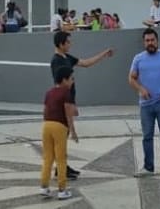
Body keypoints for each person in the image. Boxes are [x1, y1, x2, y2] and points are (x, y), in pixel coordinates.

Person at [49, 31, 114, 180]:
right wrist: (69, 104)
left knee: (63, 136)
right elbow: (60, 85)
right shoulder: (56, 61)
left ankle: (62, 166)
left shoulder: (66, 57)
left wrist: (103, 54)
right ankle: (60, 168)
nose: (70, 44)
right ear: (61, 44)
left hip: (69, 100)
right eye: (68, 42)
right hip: (63, 102)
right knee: (61, 136)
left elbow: (85, 63)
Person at [128, 29, 160, 178]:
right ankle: (148, 167)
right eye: (147, 41)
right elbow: (131, 78)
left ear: (157, 41)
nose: (150, 43)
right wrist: (141, 89)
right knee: (147, 136)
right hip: (146, 104)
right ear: (144, 42)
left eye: (152, 40)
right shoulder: (138, 58)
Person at [38, 66, 77, 200]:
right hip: (59, 127)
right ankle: (62, 190)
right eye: (71, 78)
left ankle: (44, 187)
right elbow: (68, 114)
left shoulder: (49, 92)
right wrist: (73, 131)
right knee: (61, 158)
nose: (72, 81)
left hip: (46, 125)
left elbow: (45, 110)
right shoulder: (66, 93)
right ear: (64, 80)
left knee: (48, 157)